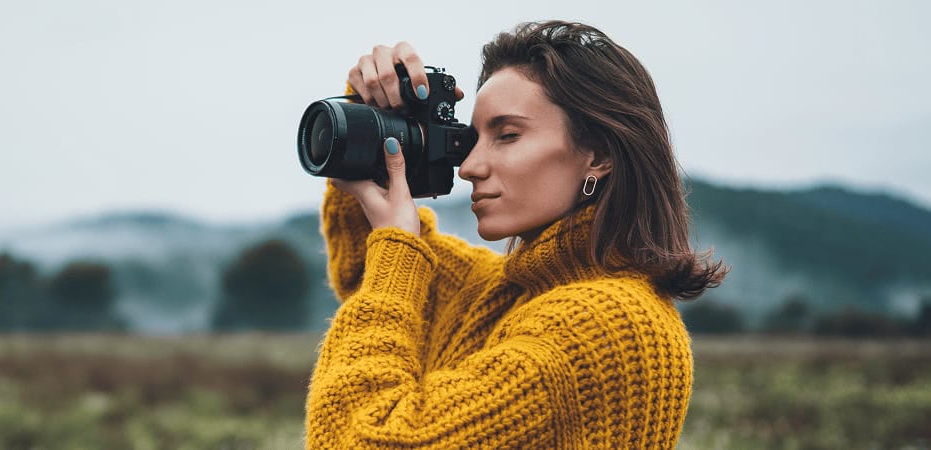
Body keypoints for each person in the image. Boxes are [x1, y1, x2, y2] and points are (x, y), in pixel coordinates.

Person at [304, 20, 728, 449]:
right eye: (472, 139)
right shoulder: (501, 291)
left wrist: (397, 252)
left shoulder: (612, 326)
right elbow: (366, 277)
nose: (469, 166)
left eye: (506, 136)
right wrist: (373, 116)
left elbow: (360, 439)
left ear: (597, 154)